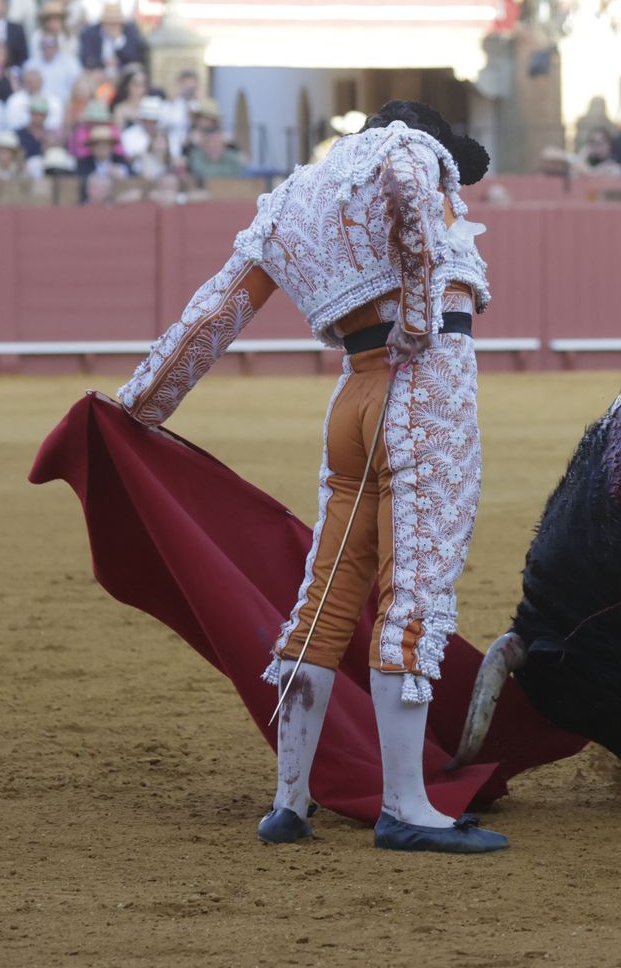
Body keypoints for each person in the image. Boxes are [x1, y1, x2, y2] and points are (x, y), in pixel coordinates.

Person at [105, 100, 507, 854]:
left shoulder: (290, 197)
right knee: (413, 593)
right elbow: (412, 187)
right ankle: (407, 807)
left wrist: (142, 405)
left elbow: (215, 311)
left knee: (325, 594)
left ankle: (289, 802)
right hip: (426, 390)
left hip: (352, 398)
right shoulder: (407, 149)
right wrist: (419, 319)